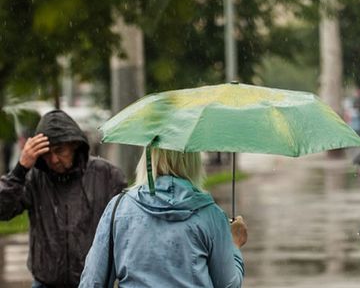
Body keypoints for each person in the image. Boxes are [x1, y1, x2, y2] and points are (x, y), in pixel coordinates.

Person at [79, 148, 247, 287]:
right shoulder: (211, 215)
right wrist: (233, 245)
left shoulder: (118, 209)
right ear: (193, 160)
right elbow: (228, 285)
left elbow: (92, 282)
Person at [0, 110, 127, 287]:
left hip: (93, 283)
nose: (53, 159)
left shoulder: (107, 175)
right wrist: (20, 170)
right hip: (45, 282)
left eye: (59, 150)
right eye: (46, 153)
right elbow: (2, 210)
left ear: (74, 145)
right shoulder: (33, 177)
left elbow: (127, 227)